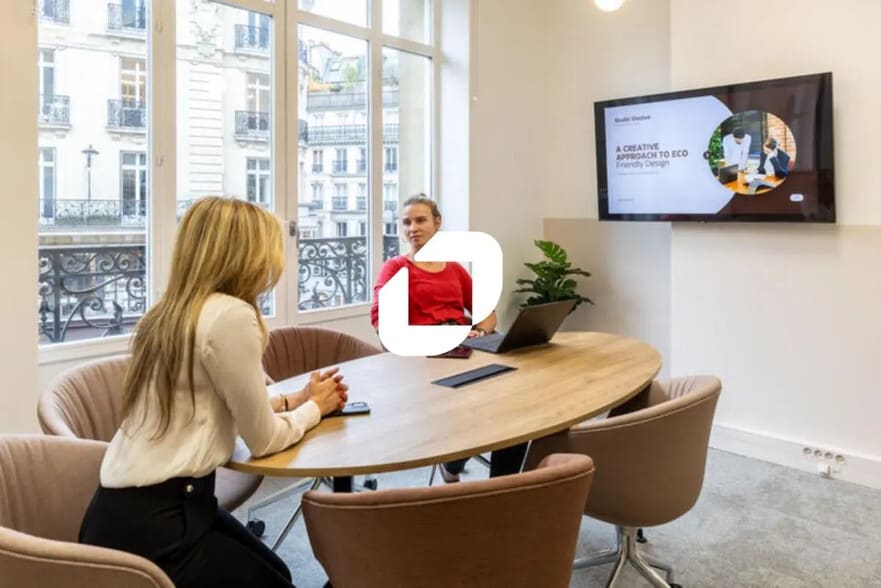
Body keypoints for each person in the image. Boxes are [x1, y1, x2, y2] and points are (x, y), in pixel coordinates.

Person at [79, 197, 348, 588]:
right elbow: (264, 440)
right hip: (165, 528)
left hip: (120, 515)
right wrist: (316, 410)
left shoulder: (169, 312)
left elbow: (205, 407)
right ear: (245, 256)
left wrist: (295, 400)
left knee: (281, 572)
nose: (274, 266)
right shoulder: (230, 317)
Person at [371, 195, 526, 483]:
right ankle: (457, 460)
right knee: (484, 405)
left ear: (437, 223)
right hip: (423, 359)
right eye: (406, 222)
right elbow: (385, 328)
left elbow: (487, 315)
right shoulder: (395, 268)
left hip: (465, 349)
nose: (413, 228)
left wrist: (481, 330)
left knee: (517, 405)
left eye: (420, 220)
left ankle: (502, 486)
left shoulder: (454, 268)